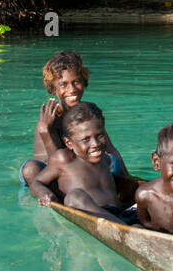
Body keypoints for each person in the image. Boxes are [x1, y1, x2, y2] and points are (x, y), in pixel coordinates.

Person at [20, 50, 125, 198]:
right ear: (53, 88)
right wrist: (45, 131)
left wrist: (128, 180)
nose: (72, 89)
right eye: (63, 85)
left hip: (81, 168)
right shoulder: (50, 118)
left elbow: (111, 149)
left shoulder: (88, 112)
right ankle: (54, 198)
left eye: (76, 82)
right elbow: (56, 161)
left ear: (83, 81)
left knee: (113, 161)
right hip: (51, 172)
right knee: (30, 169)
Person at [32, 101, 133, 223]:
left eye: (100, 136)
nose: (95, 144)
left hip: (119, 215)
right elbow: (36, 182)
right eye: (86, 139)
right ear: (69, 143)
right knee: (74, 197)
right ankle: (123, 228)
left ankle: (126, 228)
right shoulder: (64, 159)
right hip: (92, 214)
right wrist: (44, 193)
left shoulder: (106, 159)